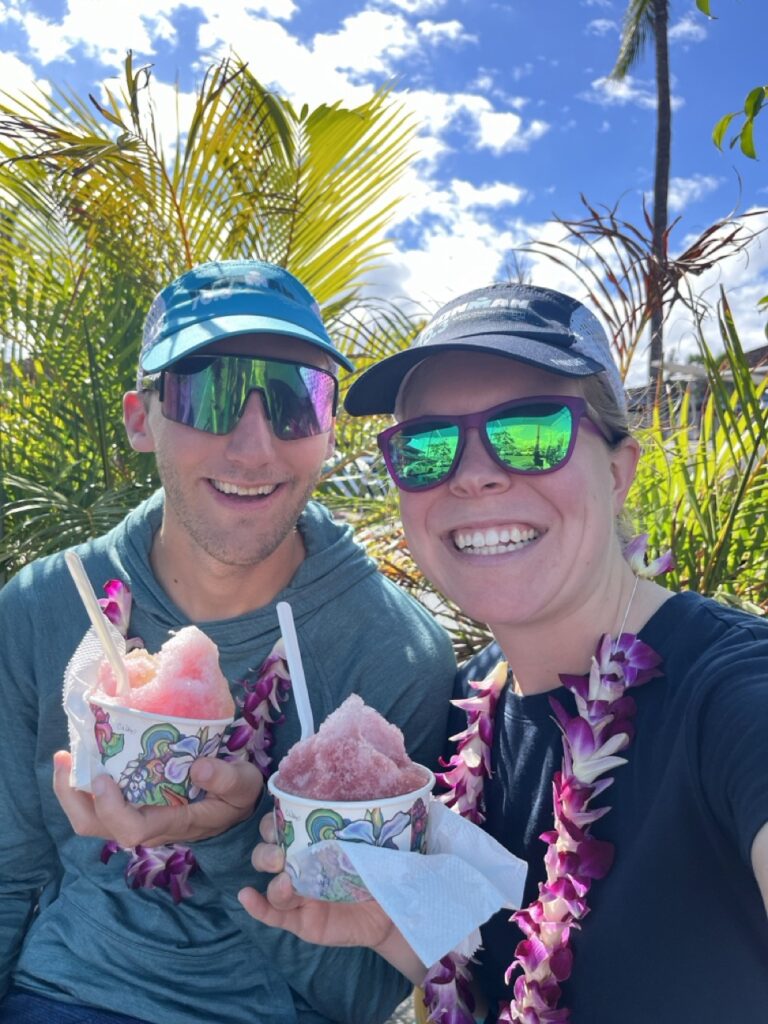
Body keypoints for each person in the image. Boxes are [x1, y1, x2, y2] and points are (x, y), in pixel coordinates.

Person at [239, 283, 768, 1023]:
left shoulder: (733, 698)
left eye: (532, 430)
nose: (474, 472)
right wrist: (398, 931)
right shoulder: (460, 718)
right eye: (426, 447)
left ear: (618, 471)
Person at [0, 259, 456, 1024]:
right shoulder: (45, 607)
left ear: (328, 430)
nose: (253, 448)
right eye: (206, 392)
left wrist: (230, 834)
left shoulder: (392, 652)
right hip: (62, 992)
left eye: (293, 400)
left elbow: (360, 992)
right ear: (141, 418)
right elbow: (10, 869)